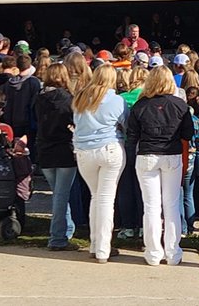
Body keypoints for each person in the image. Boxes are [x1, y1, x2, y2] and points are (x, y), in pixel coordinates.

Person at [126, 66, 194, 266]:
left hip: (147, 154)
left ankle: (153, 252)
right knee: (171, 204)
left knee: (151, 206)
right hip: (171, 154)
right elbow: (188, 134)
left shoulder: (140, 106)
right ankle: (173, 252)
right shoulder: (180, 105)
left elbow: (132, 136)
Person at [72, 65, 127, 263]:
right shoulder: (117, 100)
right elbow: (126, 124)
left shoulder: (80, 97)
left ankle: (95, 244)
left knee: (96, 197)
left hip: (84, 151)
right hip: (110, 148)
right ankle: (103, 247)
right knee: (105, 199)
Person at [34, 63, 79, 251]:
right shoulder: (68, 99)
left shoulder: (38, 98)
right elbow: (74, 122)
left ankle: (66, 230)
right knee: (61, 196)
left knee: (59, 194)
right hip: (63, 149)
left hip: (45, 149)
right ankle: (57, 238)